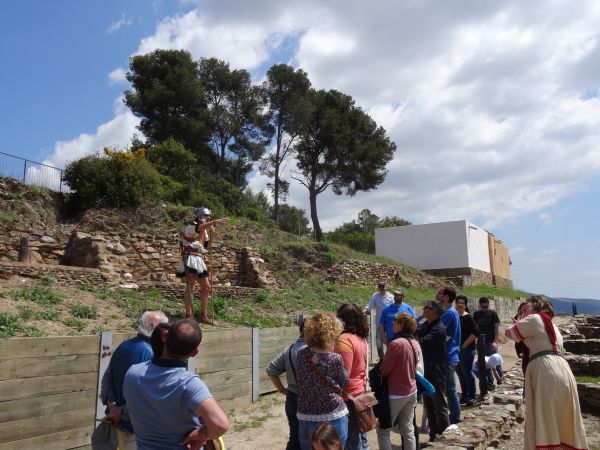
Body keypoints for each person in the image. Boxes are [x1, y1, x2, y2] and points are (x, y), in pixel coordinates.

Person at [123, 319, 230, 450]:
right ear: (194, 353)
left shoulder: (132, 373)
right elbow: (220, 424)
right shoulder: (188, 383)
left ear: (165, 337)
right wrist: (203, 434)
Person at [505, 296, 588, 450]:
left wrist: (517, 323)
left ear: (536, 305)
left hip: (545, 369)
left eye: (526, 305)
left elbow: (509, 333)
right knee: (561, 414)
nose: (522, 308)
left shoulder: (535, 319)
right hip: (561, 368)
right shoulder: (551, 325)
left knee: (546, 413)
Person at [100, 311, 169, 450]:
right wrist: (120, 412)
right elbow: (143, 395)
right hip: (137, 429)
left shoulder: (123, 345)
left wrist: (113, 407)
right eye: (164, 327)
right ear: (154, 328)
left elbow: (107, 379)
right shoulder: (151, 353)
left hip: (117, 423)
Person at [296, 312, 349, 450]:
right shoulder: (335, 359)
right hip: (332, 414)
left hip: (305, 415)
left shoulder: (301, 355)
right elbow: (344, 382)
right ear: (332, 333)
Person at [376, 313, 421, 450]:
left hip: (396, 393)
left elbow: (384, 370)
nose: (392, 323)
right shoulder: (415, 343)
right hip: (411, 391)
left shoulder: (396, 344)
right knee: (408, 429)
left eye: (395, 321)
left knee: (383, 430)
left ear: (401, 325)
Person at [177, 207, 228, 325]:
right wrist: (215, 222)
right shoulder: (192, 225)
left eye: (209, 216)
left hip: (199, 258)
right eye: (206, 216)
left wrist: (212, 234)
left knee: (206, 287)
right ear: (200, 216)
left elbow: (206, 248)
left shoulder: (205, 231)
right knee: (191, 286)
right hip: (189, 256)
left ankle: (203, 315)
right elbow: (198, 229)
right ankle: (189, 315)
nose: (208, 218)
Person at [266, 316, 308, 450]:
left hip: (292, 398)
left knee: (294, 437)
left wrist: (282, 390)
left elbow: (271, 370)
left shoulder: (288, 350)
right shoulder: (317, 350)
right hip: (311, 400)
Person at [334, 304, 370, 450]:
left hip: (348, 397)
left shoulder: (344, 340)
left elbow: (344, 375)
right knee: (362, 438)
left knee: (352, 441)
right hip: (360, 394)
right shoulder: (361, 338)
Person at [418, 300, 449, 442]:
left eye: (427, 307)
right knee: (429, 406)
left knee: (439, 406)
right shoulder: (425, 325)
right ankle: (433, 434)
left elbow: (422, 342)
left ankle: (445, 437)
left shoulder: (439, 328)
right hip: (426, 372)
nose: (424, 309)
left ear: (434, 311)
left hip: (436, 372)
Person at [435, 287, 461, 424]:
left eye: (441, 293)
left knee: (450, 390)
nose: (438, 295)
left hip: (448, 356)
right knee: (449, 389)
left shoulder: (449, 313)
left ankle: (454, 418)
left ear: (446, 297)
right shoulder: (450, 312)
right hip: (451, 355)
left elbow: (440, 334)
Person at [473, 297, 503, 390]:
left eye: (486, 306)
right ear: (480, 305)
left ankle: (501, 381)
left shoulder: (492, 313)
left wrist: (495, 341)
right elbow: (474, 328)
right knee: (485, 364)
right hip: (481, 342)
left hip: (491, 342)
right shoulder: (476, 314)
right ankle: (490, 383)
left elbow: (497, 328)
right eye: (483, 306)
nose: (485, 308)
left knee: (496, 362)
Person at [455, 296, 479, 406]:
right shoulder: (455, 316)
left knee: (467, 373)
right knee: (460, 373)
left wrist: (464, 345)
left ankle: (472, 396)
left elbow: (475, 332)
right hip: (456, 350)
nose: (460, 304)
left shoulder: (468, 317)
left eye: (462, 303)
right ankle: (465, 396)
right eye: (458, 302)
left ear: (465, 305)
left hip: (466, 350)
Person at [363, 282, 393, 359]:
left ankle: (389, 358)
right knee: (379, 343)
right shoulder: (375, 296)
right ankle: (382, 359)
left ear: (386, 287)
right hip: (380, 323)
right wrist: (365, 310)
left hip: (390, 324)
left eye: (383, 286)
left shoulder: (391, 297)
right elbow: (370, 305)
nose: (381, 288)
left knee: (389, 342)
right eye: (380, 287)